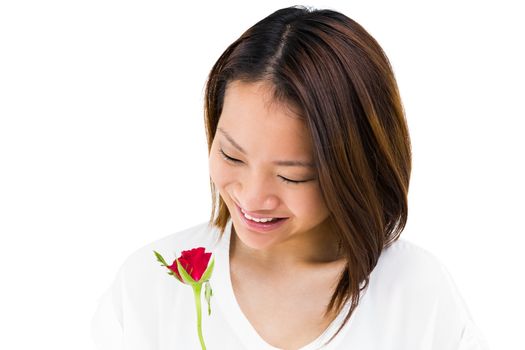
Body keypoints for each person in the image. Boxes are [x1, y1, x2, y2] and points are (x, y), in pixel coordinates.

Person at [91, 5, 489, 349]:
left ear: (355, 169)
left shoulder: (417, 295)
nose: (252, 195)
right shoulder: (152, 286)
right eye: (231, 155)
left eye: (292, 177)